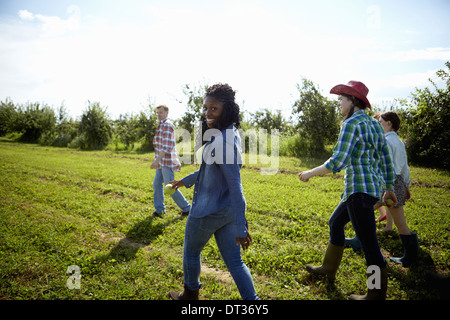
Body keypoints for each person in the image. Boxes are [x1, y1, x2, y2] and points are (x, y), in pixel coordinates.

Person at [298, 81, 397, 300]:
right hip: (367, 190)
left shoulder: (351, 124)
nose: (339, 104)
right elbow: (386, 160)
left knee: (370, 244)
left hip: (358, 192)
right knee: (335, 223)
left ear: (353, 101)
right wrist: (389, 187)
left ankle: (375, 293)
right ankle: (328, 268)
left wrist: (310, 173)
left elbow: (338, 161)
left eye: (341, 99)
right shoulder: (374, 124)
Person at [167, 83, 258, 300]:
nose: (208, 113)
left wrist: (241, 225)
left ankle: (190, 296)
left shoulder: (222, 142)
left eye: (214, 108)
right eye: (206, 108)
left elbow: (236, 187)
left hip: (206, 213)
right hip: (225, 212)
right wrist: (185, 181)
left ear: (227, 109)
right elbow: (209, 170)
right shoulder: (230, 133)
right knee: (236, 263)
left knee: (191, 252)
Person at [345, 112, 418, 268]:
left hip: (388, 183)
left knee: (400, 223)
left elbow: (385, 165)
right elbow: (404, 166)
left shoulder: (386, 141)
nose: (378, 123)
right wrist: (406, 185)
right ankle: (359, 239)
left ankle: (410, 258)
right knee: (366, 210)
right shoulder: (398, 142)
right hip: (397, 182)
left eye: (380, 121)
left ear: (389, 123)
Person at [151, 105, 191, 217]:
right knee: (157, 185)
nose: (159, 114)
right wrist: (157, 160)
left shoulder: (167, 125)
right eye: (157, 112)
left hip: (166, 162)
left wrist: (156, 161)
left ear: (167, 112)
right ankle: (160, 211)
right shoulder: (161, 125)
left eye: (161, 112)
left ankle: (187, 209)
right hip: (161, 162)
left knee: (171, 187)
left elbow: (167, 147)